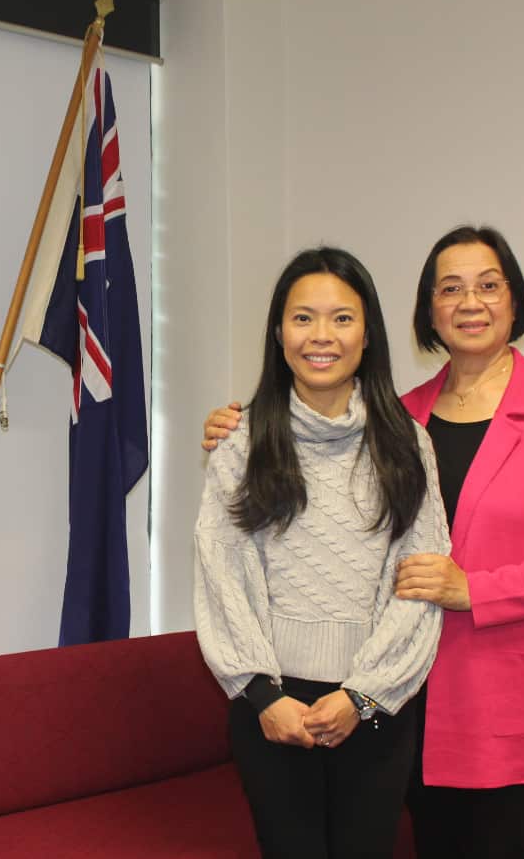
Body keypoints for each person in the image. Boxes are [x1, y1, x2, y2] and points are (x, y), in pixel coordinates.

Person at [202, 226, 524, 859]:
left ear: (514, 300)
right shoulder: (404, 417)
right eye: (450, 289)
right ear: (428, 310)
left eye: (488, 285)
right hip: (405, 701)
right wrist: (238, 428)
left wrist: (474, 589)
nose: (470, 302)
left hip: (495, 694)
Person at [194, 247, 451, 859]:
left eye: (342, 318)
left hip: (377, 705)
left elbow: (421, 582)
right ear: (278, 332)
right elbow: (221, 575)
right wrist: (264, 695)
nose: (321, 336)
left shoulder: (406, 441)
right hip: (270, 707)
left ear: (368, 334)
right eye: (302, 318)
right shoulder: (241, 440)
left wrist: (362, 695)